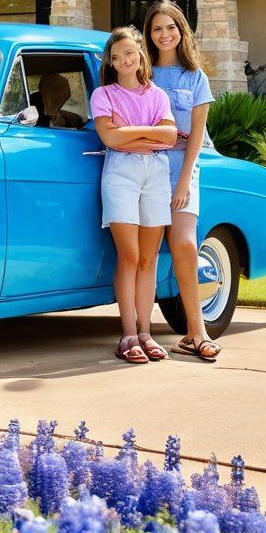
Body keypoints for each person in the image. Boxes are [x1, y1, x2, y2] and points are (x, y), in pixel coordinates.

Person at [90, 26, 177, 364]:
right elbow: (110, 139)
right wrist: (150, 134)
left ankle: (146, 332)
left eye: (129, 53)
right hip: (121, 173)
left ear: (140, 53)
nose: (124, 60)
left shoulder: (158, 95)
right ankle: (128, 335)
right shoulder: (104, 95)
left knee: (148, 258)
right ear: (110, 63)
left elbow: (170, 137)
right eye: (116, 57)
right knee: (129, 255)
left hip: (156, 173)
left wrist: (126, 131)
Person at [143, 0, 220, 362]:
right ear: (149, 34)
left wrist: (183, 182)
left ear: (181, 30)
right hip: (146, 167)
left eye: (170, 27)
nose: (164, 34)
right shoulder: (142, 75)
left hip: (184, 169)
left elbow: (197, 137)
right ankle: (140, 333)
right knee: (144, 252)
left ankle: (196, 332)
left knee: (186, 245)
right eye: (157, 28)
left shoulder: (196, 77)